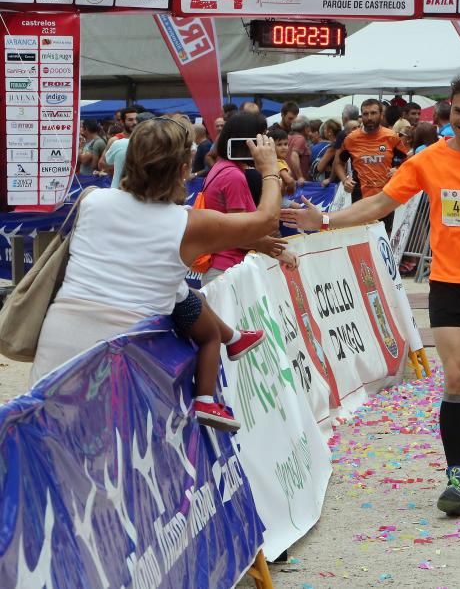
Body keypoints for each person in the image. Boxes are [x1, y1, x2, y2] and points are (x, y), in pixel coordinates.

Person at [281, 73, 460, 518]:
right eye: (458, 112)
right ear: (447, 113)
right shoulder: (427, 160)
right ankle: (456, 478)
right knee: (455, 380)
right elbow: (378, 205)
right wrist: (323, 221)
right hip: (449, 284)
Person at [30, 119, 285, 430]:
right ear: (183, 170)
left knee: (48, 440)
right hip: (126, 350)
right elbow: (267, 219)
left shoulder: (92, 200)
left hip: (61, 338)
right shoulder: (189, 225)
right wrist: (270, 168)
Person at [202, 112, 296, 285]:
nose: (267, 145)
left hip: (225, 268)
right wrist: (271, 170)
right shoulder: (233, 176)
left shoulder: (222, 167)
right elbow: (240, 232)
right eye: (262, 138)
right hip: (228, 271)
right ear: (248, 142)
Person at [336, 99, 408, 232]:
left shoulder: (391, 137)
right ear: (361, 116)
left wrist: (398, 170)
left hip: (385, 197)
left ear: (381, 115)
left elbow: (407, 161)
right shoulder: (351, 139)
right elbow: (339, 163)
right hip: (360, 197)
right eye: (366, 114)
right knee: (361, 237)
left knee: (383, 236)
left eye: (373, 113)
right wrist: (344, 179)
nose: (369, 118)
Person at [286, 117, 311, 182]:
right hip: (297, 182)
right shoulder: (300, 139)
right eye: (309, 127)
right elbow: (294, 156)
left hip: (289, 179)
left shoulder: (288, 137)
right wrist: (300, 177)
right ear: (305, 128)